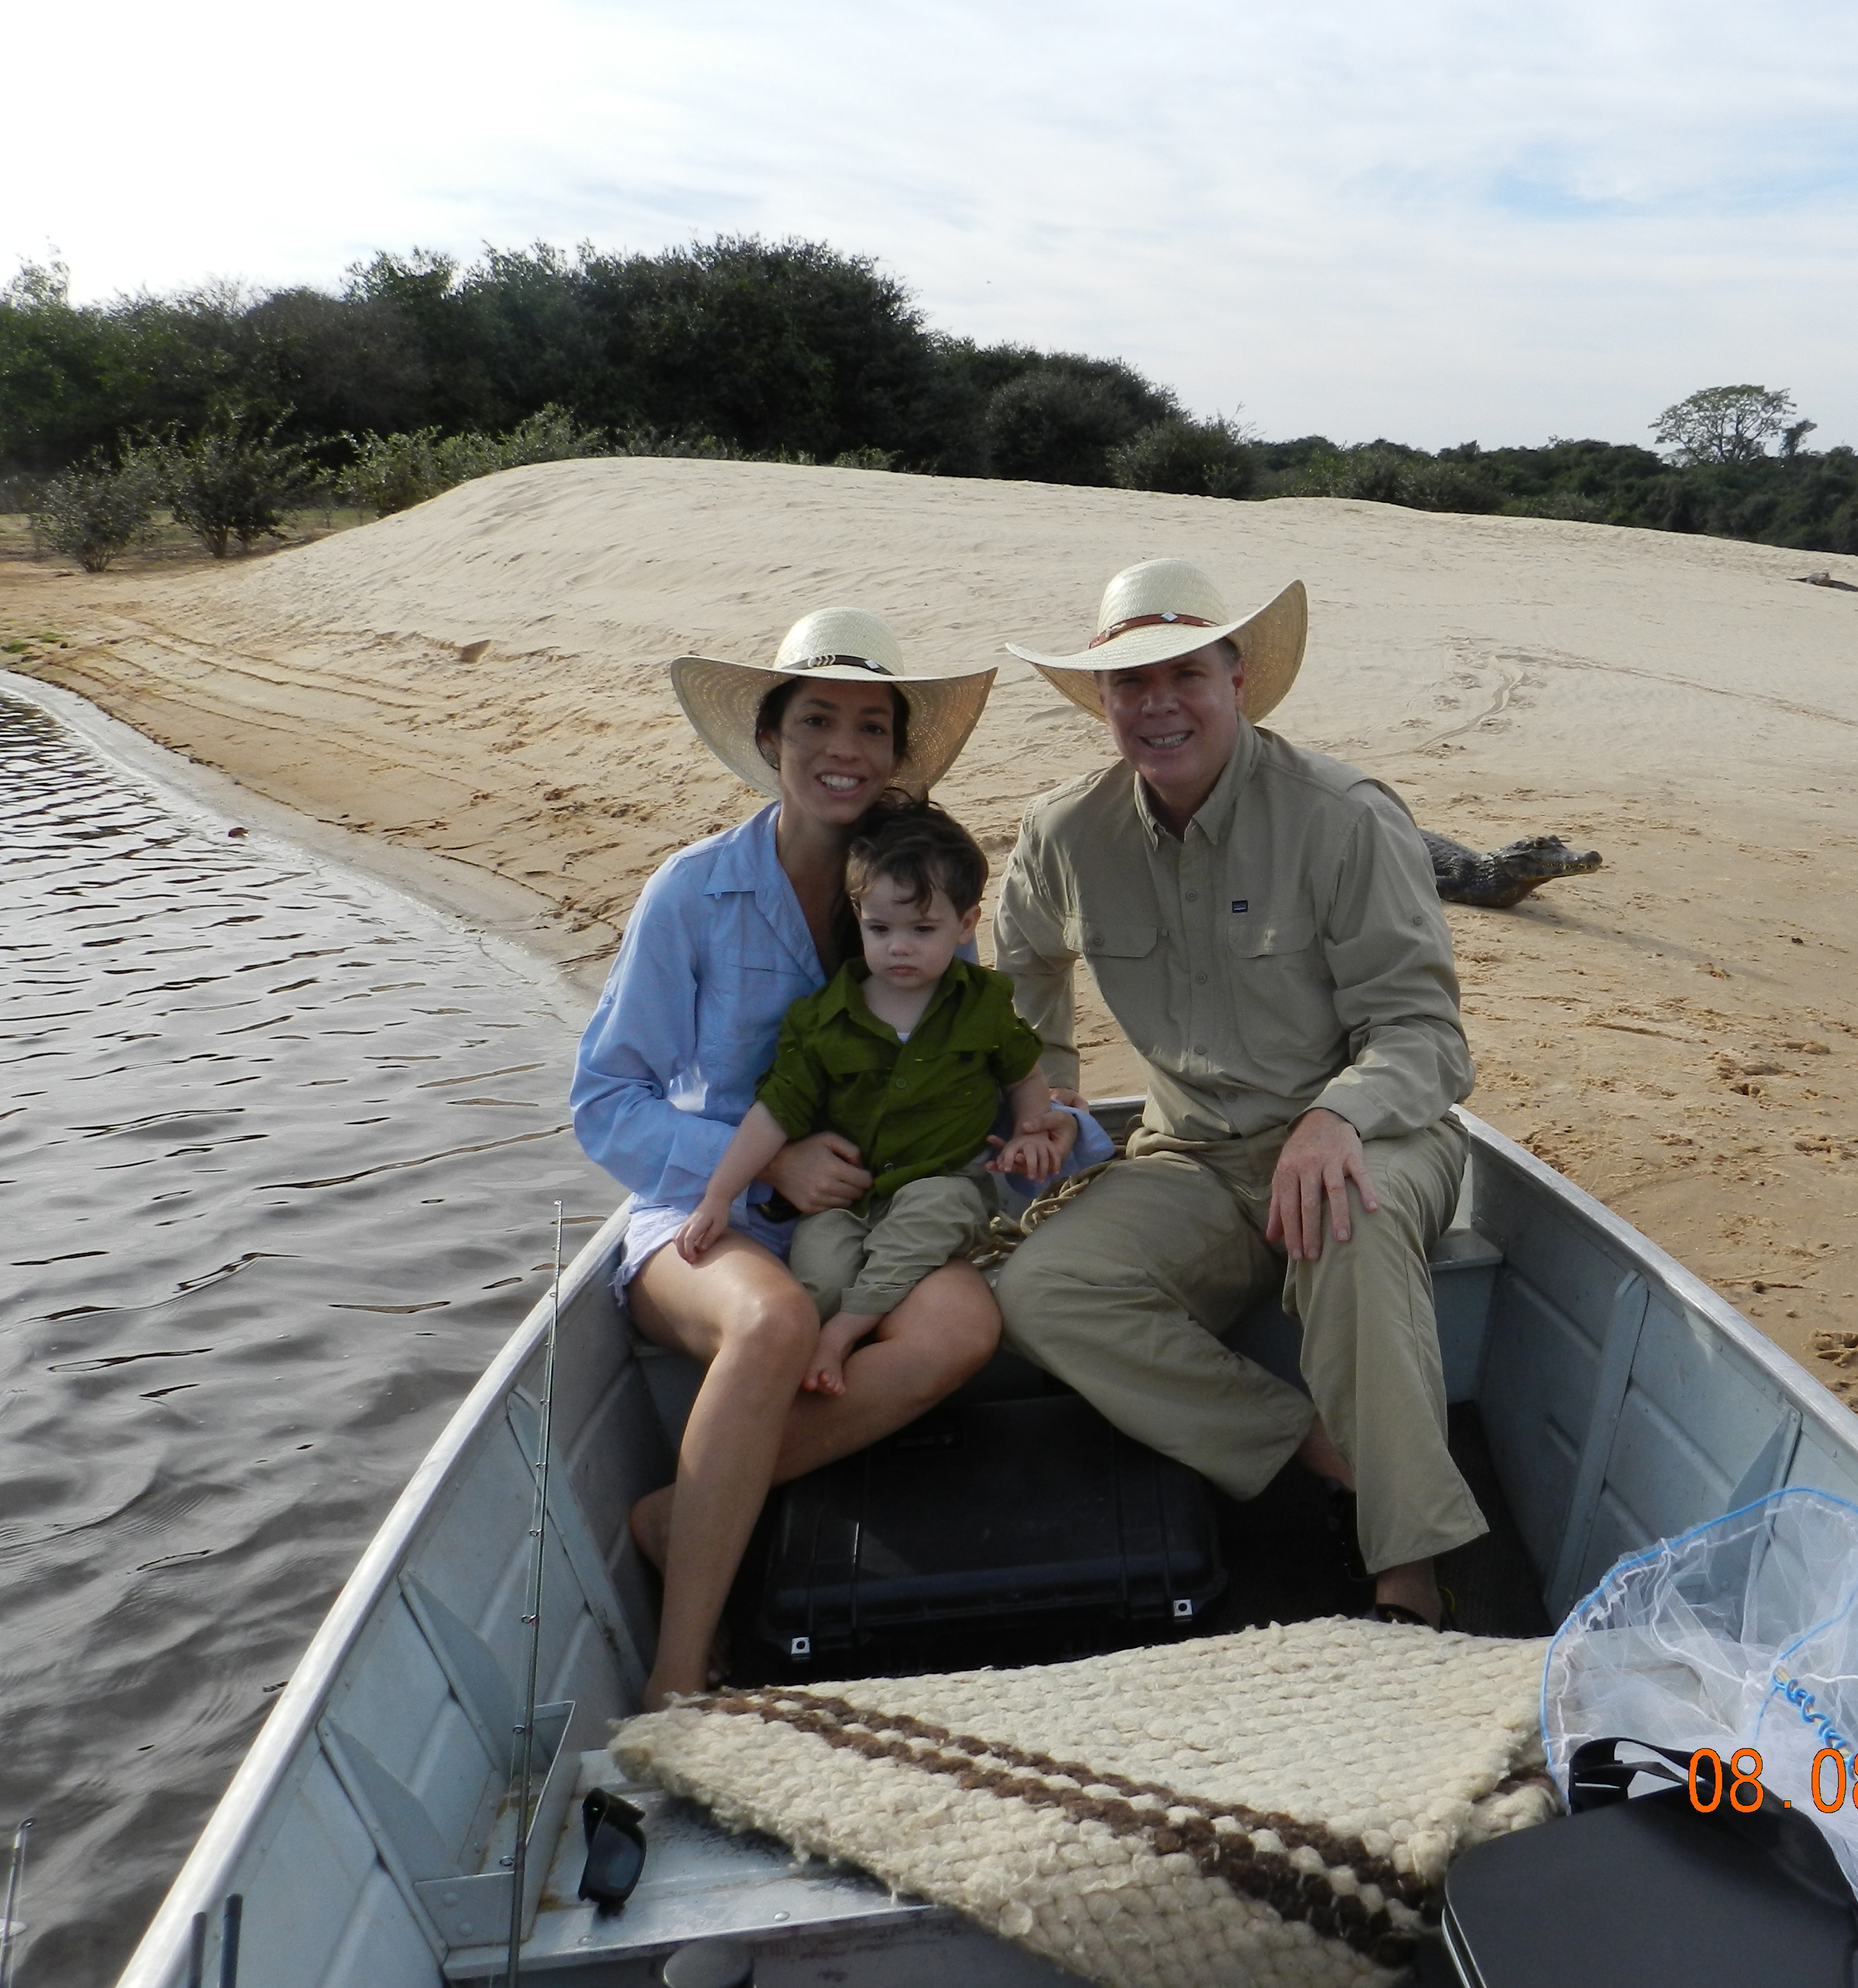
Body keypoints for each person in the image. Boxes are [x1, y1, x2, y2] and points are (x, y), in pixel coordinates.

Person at [991, 557, 1488, 1628]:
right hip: (1193, 1158)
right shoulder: (1066, 834)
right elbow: (1019, 976)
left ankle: (1410, 1569)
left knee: (1346, 1223)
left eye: (1185, 674)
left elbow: (1426, 1037)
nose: (1158, 704)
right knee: (1044, 1290)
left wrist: (1334, 1115)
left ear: (1239, 680)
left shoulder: (1343, 815)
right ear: (1106, 704)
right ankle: (1329, 1456)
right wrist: (1048, 1101)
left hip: (1377, 1134)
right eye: (1131, 683)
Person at [571, 608, 1005, 1708]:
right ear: (771, 739)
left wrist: (1042, 1124)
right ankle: (680, 1676)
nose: (842, 748)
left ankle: (680, 1516)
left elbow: (976, 1051)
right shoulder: (693, 891)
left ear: (898, 752)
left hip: (860, 1216)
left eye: (870, 725)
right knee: (774, 1322)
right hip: (702, 1216)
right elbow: (605, 1103)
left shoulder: (918, 884)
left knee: (965, 1325)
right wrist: (765, 1166)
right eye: (816, 719)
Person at [673, 801, 1073, 1395]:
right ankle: (812, 1363)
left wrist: (1031, 1129)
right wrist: (717, 1196)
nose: (900, 948)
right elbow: (774, 1113)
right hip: (846, 1197)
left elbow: (1022, 1076)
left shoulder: (981, 1005)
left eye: (923, 930)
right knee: (822, 1269)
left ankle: (837, 1342)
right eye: (880, 930)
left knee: (929, 1219)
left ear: (966, 925)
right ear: (858, 915)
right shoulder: (823, 1020)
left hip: (946, 1179)